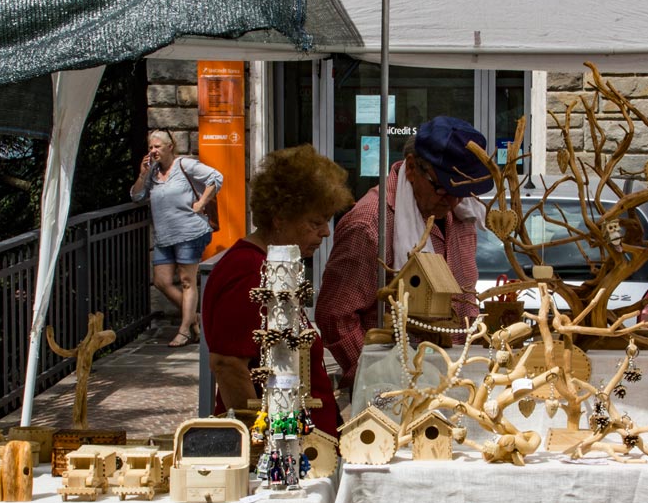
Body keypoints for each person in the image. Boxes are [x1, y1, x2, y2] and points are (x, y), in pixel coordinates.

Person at [315, 116, 493, 390]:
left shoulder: (460, 213)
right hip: (393, 388)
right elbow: (335, 316)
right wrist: (376, 378)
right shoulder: (370, 224)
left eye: (462, 191)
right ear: (412, 167)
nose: (454, 200)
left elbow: (465, 296)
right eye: (443, 189)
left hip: (456, 379)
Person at [201, 145, 353, 435]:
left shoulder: (266, 265)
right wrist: (265, 443)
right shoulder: (250, 271)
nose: (326, 232)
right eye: (315, 222)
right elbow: (228, 365)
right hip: (283, 451)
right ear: (280, 217)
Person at [130, 130, 223, 347]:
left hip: (190, 232)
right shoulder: (152, 172)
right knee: (161, 281)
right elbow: (136, 196)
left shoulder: (185, 165)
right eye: (151, 147)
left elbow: (216, 177)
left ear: (170, 146)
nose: (153, 151)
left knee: (187, 281)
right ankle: (195, 319)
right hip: (164, 236)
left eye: (157, 147)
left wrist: (200, 204)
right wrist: (142, 175)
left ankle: (184, 330)